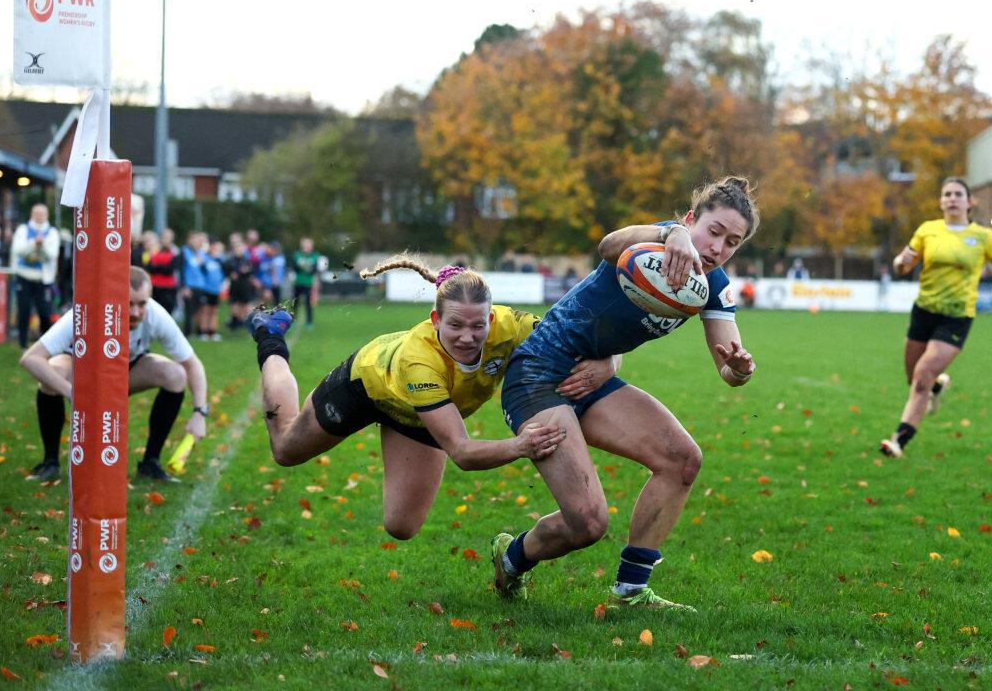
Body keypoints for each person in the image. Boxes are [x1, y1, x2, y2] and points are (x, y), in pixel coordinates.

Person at [493, 176, 759, 610]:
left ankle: (631, 589)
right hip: (539, 375)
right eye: (713, 231)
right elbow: (607, 245)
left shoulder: (713, 285)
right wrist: (668, 232)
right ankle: (511, 555)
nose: (718, 248)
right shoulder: (649, 244)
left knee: (682, 459)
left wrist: (739, 369)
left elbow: (728, 369)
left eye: (732, 241)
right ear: (691, 220)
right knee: (589, 523)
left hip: (594, 384)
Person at [246, 255, 618, 541]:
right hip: (367, 385)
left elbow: (589, 334)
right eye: (455, 325)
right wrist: (520, 446)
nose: (468, 337)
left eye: (478, 325)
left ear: (491, 318)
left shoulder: (512, 326)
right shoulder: (418, 360)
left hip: (418, 415)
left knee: (401, 527)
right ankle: (271, 337)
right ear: (435, 319)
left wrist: (609, 363)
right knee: (284, 449)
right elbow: (462, 452)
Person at [19, 266, 210, 483]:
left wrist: (199, 413)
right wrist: (73, 393)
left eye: (142, 304)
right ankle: (50, 461)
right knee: (52, 372)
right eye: (129, 304)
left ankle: (150, 463)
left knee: (175, 374)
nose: (136, 312)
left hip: (126, 371)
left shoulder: (156, 314)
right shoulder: (85, 311)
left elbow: (193, 365)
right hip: (81, 371)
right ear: (113, 296)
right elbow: (30, 358)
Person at [879, 177, 992, 458]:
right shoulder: (928, 230)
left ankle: (899, 441)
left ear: (969, 201)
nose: (952, 198)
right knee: (913, 376)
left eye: (958, 194)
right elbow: (902, 265)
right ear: (941, 201)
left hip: (956, 317)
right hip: (924, 312)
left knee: (921, 378)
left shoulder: (984, 237)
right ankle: (939, 384)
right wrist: (899, 262)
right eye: (947, 194)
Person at [10, 203, 61, 348]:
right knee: (24, 311)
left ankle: (46, 346)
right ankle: (23, 345)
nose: (39, 216)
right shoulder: (23, 229)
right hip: (24, 277)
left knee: (45, 313)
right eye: (36, 213)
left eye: (42, 213)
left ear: (47, 215)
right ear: (32, 214)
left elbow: (52, 255)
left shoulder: (52, 233)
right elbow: (18, 250)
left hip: (43, 280)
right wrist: (34, 244)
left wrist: (42, 245)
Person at [291, 237, 321, 328]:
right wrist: (303, 265)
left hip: (309, 283)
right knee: (295, 302)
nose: (306, 246)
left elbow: (313, 270)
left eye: (308, 245)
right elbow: (296, 268)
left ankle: (309, 322)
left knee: (309, 303)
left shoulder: (315, 256)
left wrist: (305, 265)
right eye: (305, 244)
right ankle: (292, 320)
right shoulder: (297, 255)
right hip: (298, 282)